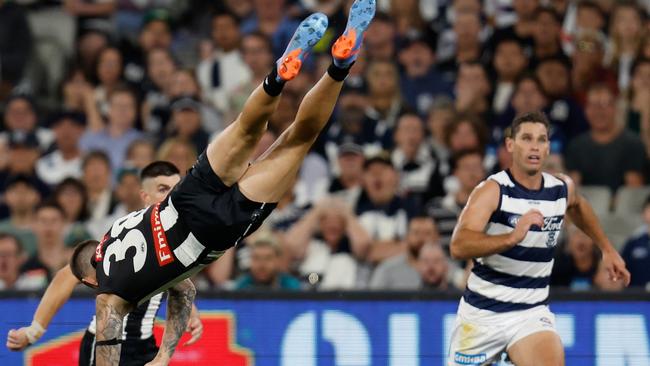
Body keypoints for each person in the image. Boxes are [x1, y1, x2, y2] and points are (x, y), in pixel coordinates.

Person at [67, 3, 375, 365]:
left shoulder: (106, 295)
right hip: (184, 200)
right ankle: (277, 76)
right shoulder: (120, 228)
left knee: (298, 139)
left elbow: (107, 349)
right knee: (247, 128)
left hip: (212, 233)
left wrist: (163, 357)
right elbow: (183, 291)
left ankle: (340, 65)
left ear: (89, 281)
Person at [447, 111, 630, 365]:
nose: (535, 146)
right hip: (482, 315)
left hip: (530, 314)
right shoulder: (493, 190)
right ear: (510, 145)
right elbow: (458, 246)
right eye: (527, 138)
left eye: (542, 140)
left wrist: (606, 249)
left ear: (547, 148)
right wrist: (511, 238)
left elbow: (577, 205)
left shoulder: (559, 189)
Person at [6, 161, 204, 366]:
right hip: (106, 343)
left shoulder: (174, 233)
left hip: (145, 346)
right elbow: (68, 275)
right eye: (163, 189)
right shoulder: (127, 233)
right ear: (145, 196)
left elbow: (173, 280)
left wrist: (191, 311)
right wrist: (33, 331)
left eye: (175, 189)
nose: (171, 196)